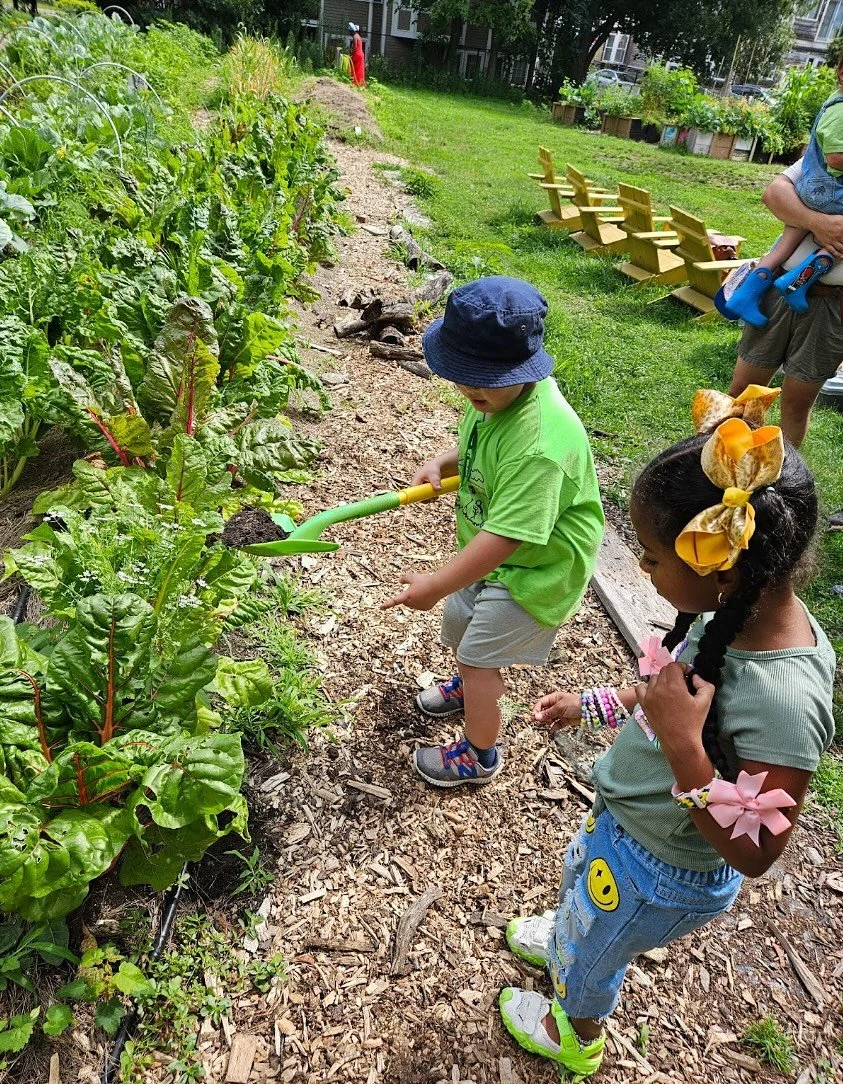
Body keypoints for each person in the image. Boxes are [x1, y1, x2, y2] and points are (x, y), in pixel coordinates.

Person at [497, 393, 836, 1078]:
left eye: (649, 558)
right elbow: (671, 691)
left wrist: (683, 750)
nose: (643, 571)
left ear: (720, 562)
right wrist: (595, 703)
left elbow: (758, 851)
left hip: (660, 872)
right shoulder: (733, 610)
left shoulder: (782, 701)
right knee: (584, 904)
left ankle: (576, 1029)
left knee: (596, 957)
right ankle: (574, 932)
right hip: (629, 833)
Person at [381, 276, 604, 787]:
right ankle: (470, 678)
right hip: (492, 552)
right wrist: (446, 458)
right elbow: (482, 438)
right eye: (463, 375)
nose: (472, 389)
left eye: (484, 378)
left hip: (535, 570)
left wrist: (435, 584)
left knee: (480, 657)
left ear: (524, 368)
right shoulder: (495, 395)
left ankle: (479, 755)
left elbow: (507, 538)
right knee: (464, 626)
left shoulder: (542, 444)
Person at [717, 54, 843, 327]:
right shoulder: (841, 111)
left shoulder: (833, 104)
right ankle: (799, 282)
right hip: (832, 194)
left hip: (810, 190)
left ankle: (745, 294)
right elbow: (836, 158)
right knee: (838, 241)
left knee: (782, 248)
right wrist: (819, 221)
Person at [726, 156, 843, 447]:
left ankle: (781, 480)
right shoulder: (826, 158)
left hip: (833, 306)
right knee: (745, 392)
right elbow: (774, 193)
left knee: (796, 405)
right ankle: (725, 461)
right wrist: (820, 223)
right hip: (778, 292)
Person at [348, 23, 366, 88]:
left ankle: (354, 83)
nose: (349, 33)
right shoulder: (359, 36)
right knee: (360, 69)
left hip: (357, 54)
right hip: (361, 55)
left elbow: (355, 47)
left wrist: (352, 55)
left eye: (350, 31)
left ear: (352, 31)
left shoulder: (355, 36)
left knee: (354, 68)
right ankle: (360, 82)